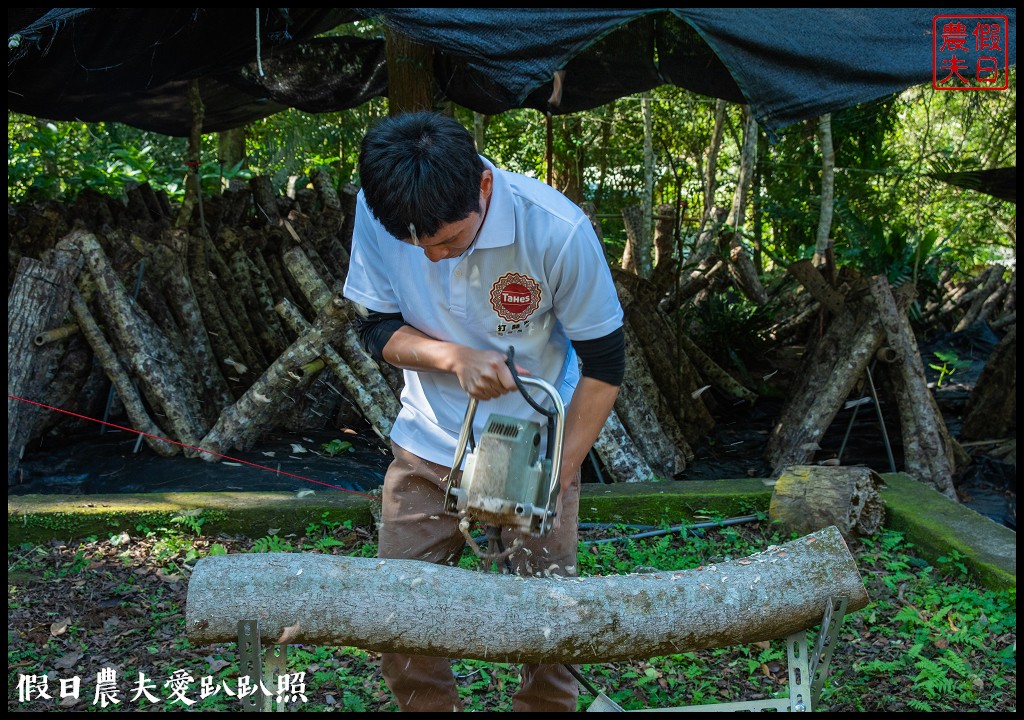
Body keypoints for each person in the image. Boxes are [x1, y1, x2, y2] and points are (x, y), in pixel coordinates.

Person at [343, 111, 625, 713]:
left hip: (532, 448)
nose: (435, 258)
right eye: (418, 246)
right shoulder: (380, 210)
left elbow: (605, 365)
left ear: (485, 188)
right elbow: (376, 328)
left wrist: (562, 467)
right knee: (400, 614)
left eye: (448, 240)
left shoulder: (556, 231)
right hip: (429, 439)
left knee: (549, 622)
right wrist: (452, 357)